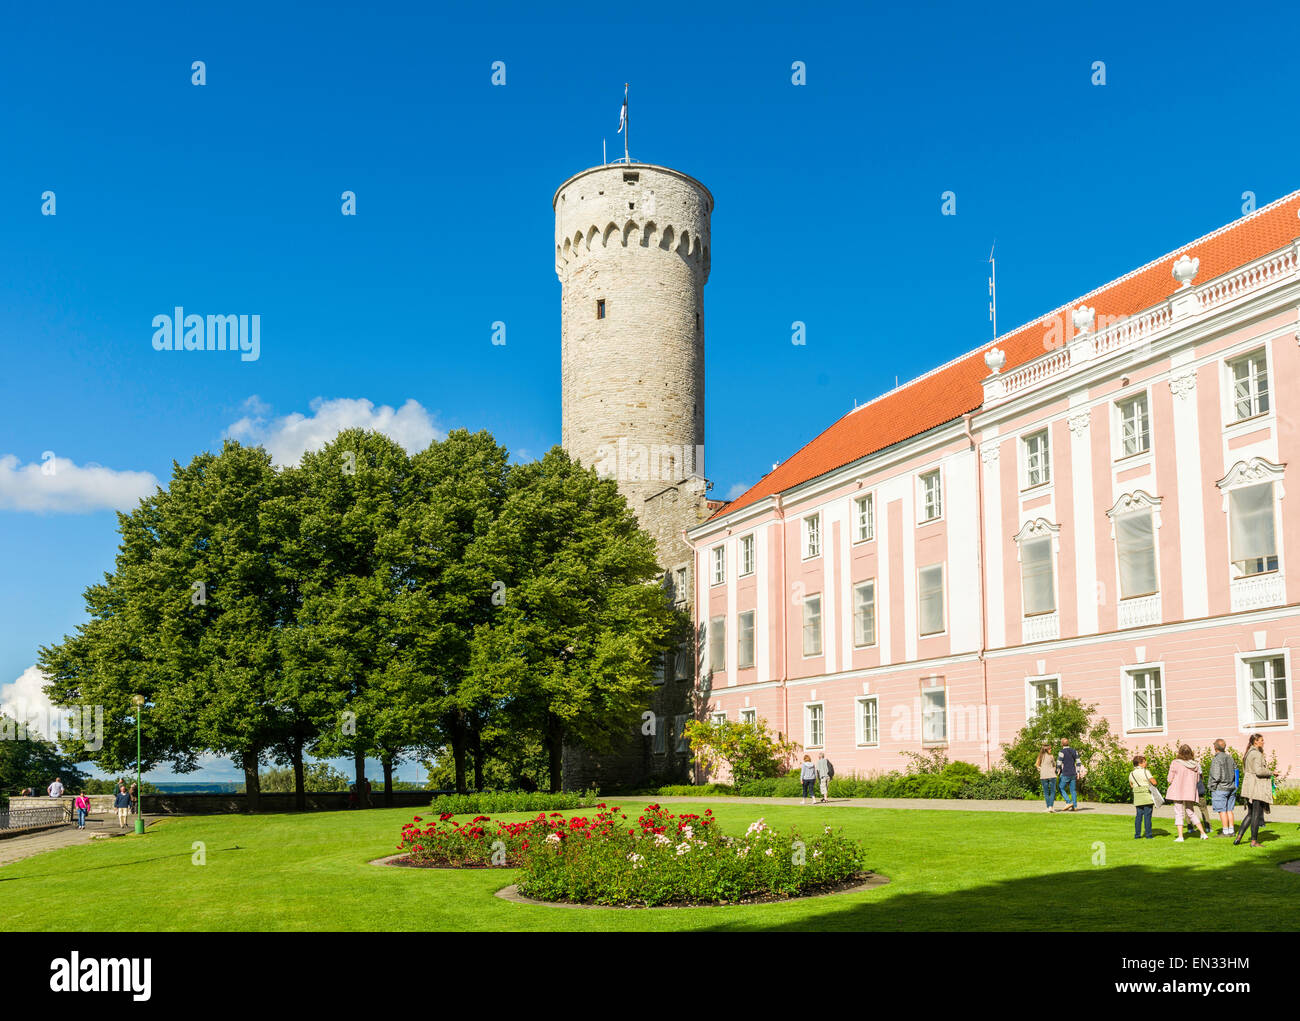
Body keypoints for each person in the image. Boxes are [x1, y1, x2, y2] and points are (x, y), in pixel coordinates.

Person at [1235, 733, 1273, 848]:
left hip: (1249, 786)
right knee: (1256, 814)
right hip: (1256, 787)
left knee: (1250, 814)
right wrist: (1271, 772)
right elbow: (1259, 771)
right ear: (1255, 741)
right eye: (1261, 740)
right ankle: (1254, 841)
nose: (1263, 742)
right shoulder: (1257, 754)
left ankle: (1238, 838)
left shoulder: (1248, 753)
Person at [1166, 744, 1208, 841]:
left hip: (1177, 791)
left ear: (1179, 753)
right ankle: (1203, 833)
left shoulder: (1175, 763)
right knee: (1191, 812)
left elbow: (1169, 779)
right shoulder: (1195, 765)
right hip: (1190, 792)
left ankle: (1180, 836)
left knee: (1178, 813)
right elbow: (1197, 780)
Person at [1208, 739, 1236, 837]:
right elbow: (1235, 772)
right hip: (1231, 787)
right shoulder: (1230, 758)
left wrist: (1212, 786)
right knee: (1229, 810)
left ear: (1215, 748)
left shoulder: (1216, 759)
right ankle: (1231, 830)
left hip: (1220, 788)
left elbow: (1216, 775)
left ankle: (1225, 831)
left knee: (1222, 810)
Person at [1129, 754, 1156, 839]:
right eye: (1144, 762)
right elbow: (1154, 782)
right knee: (1147, 816)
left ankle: (1137, 835)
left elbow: (1131, 784)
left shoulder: (1131, 773)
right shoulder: (1145, 771)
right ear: (1140, 763)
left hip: (1137, 795)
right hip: (1146, 794)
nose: (1146, 763)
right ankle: (1148, 835)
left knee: (1138, 816)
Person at [1056, 738, 1080, 811]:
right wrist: (1078, 772)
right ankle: (1075, 806)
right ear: (1068, 743)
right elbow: (1078, 762)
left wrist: (1058, 771)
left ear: (1062, 744)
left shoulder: (1061, 752)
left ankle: (1068, 802)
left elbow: (1058, 763)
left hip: (1065, 773)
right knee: (1073, 790)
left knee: (1060, 788)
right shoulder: (1074, 751)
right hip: (1073, 773)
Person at [1036, 743, 1057, 812]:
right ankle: (1051, 807)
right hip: (1051, 775)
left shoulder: (1040, 757)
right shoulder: (1051, 756)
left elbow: (1037, 765)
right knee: (1052, 792)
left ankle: (1048, 807)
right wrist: (1054, 769)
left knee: (1046, 792)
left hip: (1043, 776)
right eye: (1050, 749)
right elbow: (1054, 765)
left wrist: (1041, 770)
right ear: (1047, 750)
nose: (1051, 750)